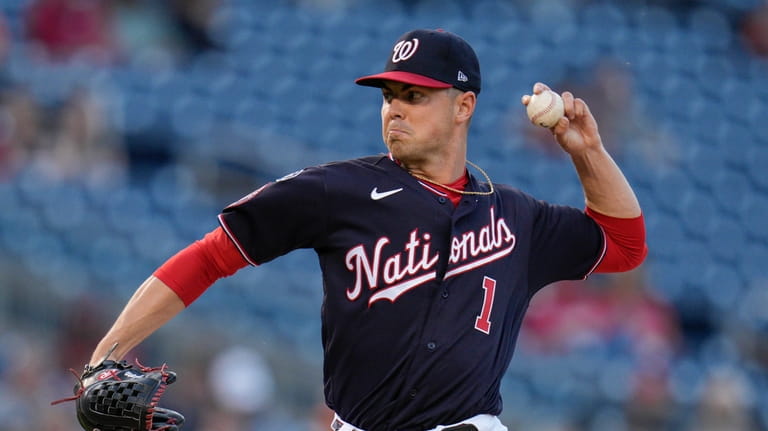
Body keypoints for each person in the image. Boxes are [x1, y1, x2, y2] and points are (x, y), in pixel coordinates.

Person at [82, 29, 647, 431]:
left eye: (415, 96)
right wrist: (102, 358)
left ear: (464, 106)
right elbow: (208, 257)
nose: (394, 110)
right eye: (389, 96)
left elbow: (624, 247)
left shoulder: (518, 217)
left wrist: (589, 152)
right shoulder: (335, 191)